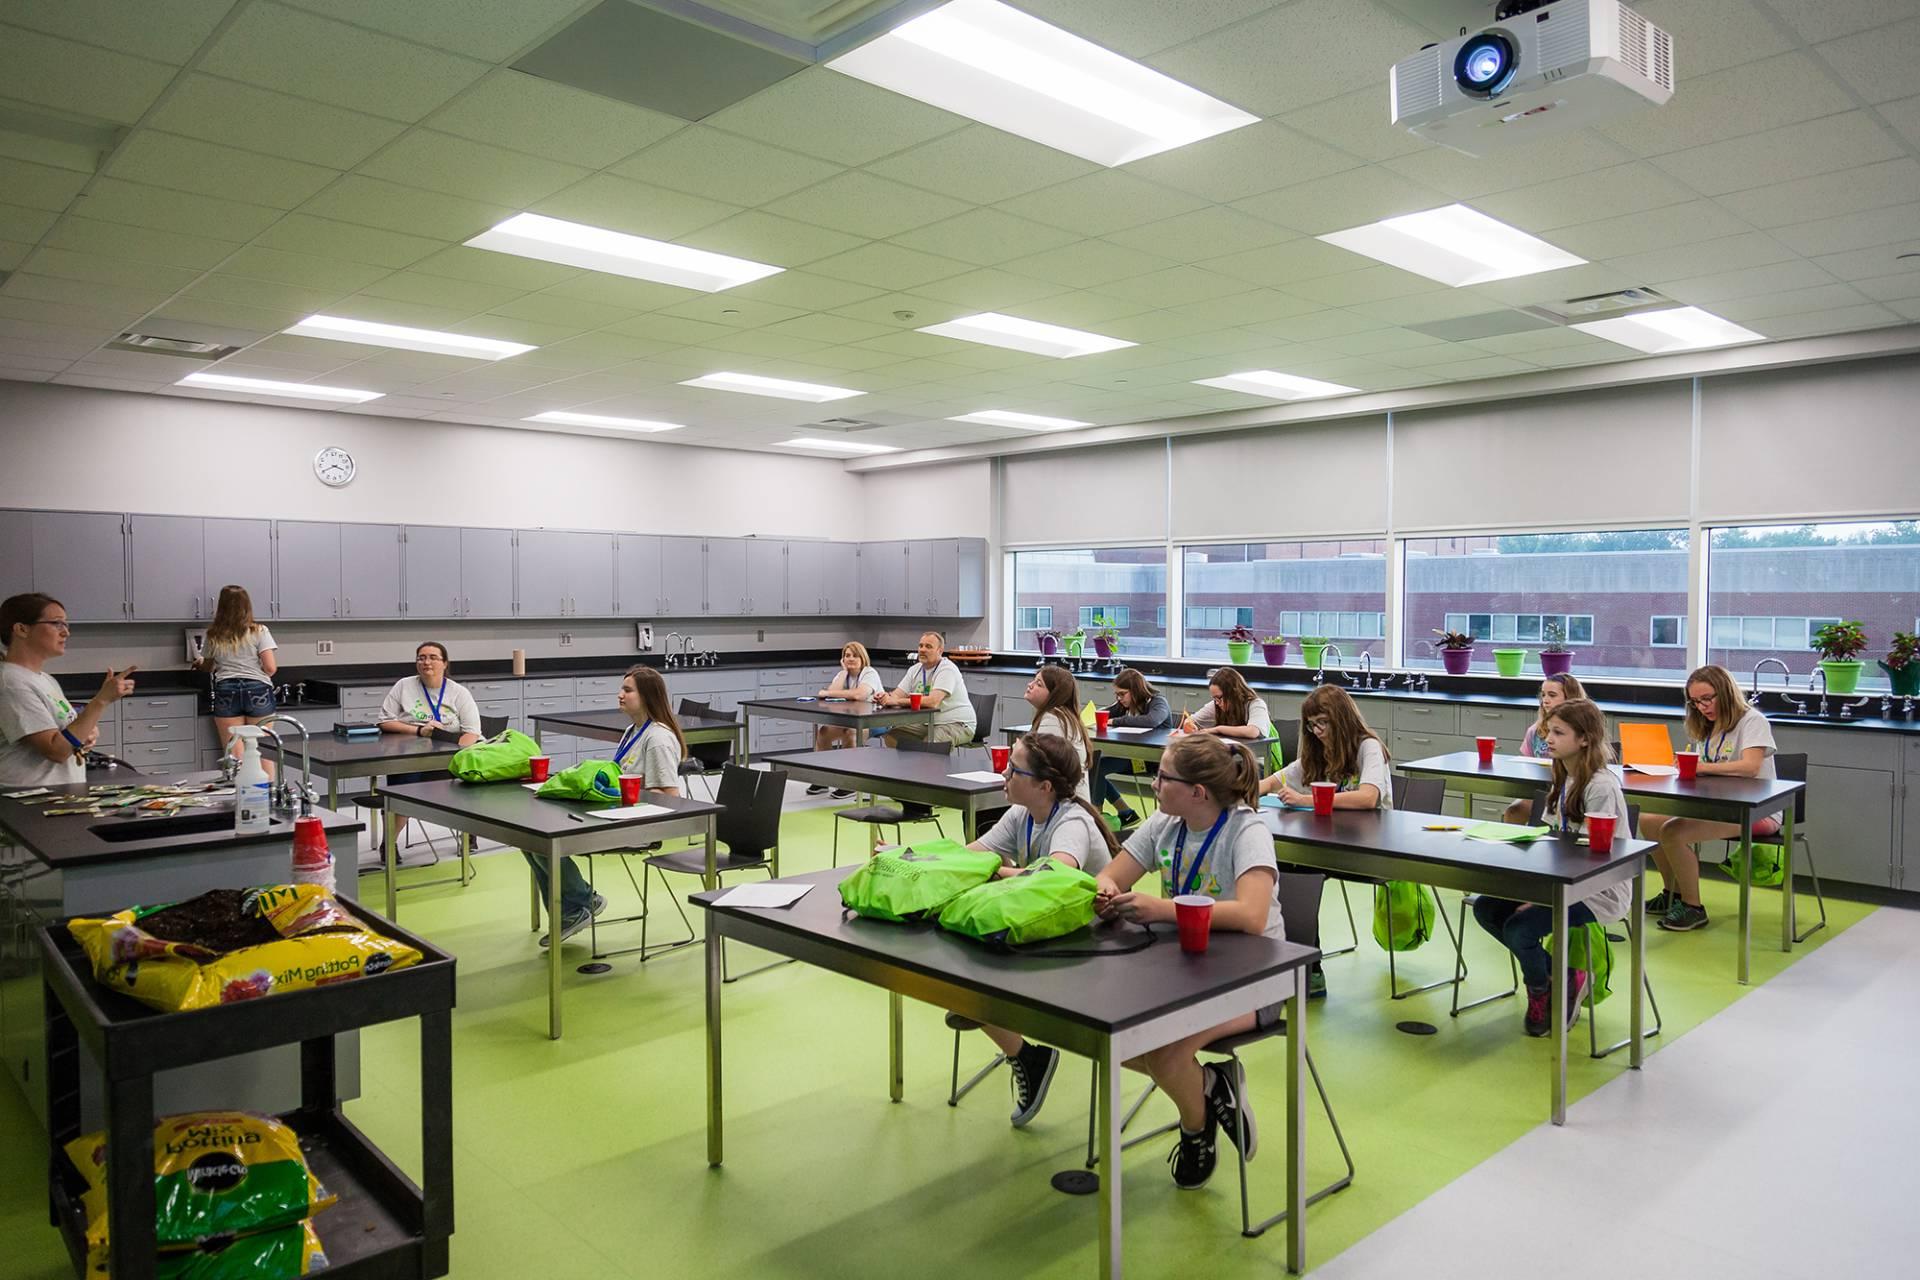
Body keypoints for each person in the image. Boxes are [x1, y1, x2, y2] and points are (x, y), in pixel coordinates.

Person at [1094, 734, 1282, 1190]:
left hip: (1255, 977)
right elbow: (1111, 874)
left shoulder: (1247, 830)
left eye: (1164, 777)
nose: (1154, 783)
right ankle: (1212, 1086)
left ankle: (1196, 1128)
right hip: (1182, 970)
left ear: (1197, 792)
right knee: (1112, 1036)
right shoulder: (1164, 824)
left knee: (1163, 1052)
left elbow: (1253, 916)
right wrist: (1105, 892)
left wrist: (1163, 910)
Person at [960, 733, 1119, 1126]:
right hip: (1049, 927)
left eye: (1014, 768)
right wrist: (922, 858)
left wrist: (999, 871)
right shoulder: (1022, 814)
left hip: (1096, 942)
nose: (1005, 772)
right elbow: (974, 855)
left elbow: (1056, 874)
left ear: (1044, 786)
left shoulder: (1073, 820)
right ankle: (1029, 1056)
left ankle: (1025, 1051)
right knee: (960, 978)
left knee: (973, 987)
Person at [1472, 698, 1629, 1035]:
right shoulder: (1564, 778)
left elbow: (1593, 858)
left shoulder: (1600, 786)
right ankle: (1563, 976)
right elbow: (1552, 840)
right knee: (1487, 908)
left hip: (1596, 889)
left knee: (1520, 929)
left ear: (1584, 739)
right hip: (1561, 881)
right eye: (1548, 732)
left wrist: (1544, 897)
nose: (1549, 739)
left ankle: (1540, 990)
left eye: (1558, 732)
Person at [527, 665, 684, 947]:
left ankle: (579, 905)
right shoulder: (632, 730)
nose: (620, 695)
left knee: (549, 840)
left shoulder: (658, 738)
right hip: (616, 813)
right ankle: (573, 909)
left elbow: (670, 795)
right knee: (531, 838)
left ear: (647, 696)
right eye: (621, 689)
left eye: (627, 690)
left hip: (641, 825)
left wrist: (630, 796)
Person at [1640, 665, 1778, 933]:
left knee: (1673, 831)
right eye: (1695, 702)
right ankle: (1673, 894)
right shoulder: (1709, 726)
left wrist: (1701, 768)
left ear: (1725, 692)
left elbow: (1750, 767)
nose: (1702, 707)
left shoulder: (1752, 721)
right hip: (1715, 807)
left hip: (1756, 810)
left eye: (1707, 699)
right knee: (1648, 820)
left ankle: (1694, 907)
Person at [0, 594, 136, 787]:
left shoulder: (45, 680)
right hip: (29, 800)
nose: (65, 632)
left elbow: (66, 734)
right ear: (21, 629)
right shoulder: (11, 682)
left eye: (66, 625)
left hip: (57, 795)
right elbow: (57, 750)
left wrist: (85, 734)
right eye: (57, 623)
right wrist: (101, 701)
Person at [376, 642, 482, 840]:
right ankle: (389, 844)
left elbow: (472, 733)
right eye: (421, 657)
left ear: (445, 663)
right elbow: (385, 721)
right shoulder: (404, 685)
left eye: (433, 657)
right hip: (409, 756)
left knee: (465, 784)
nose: (426, 662)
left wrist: (454, 758)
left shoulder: (458, 692)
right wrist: (418, 730)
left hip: (449, 757)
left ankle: (469, 832)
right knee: (402, 792)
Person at [1259, 685, 1392, 811]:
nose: (1317, 731)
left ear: (1341, 719)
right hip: (1337, 829)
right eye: (1312, 724)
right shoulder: (1323, 751)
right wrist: (1241, 794)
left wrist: (1304, 800)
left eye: (1322, 721)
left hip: (1370, 831)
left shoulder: (1369, 746)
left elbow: (1368, 798)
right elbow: (1270, 783)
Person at [198, 585, 278, 766]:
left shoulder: (213, 634)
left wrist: (200, 664)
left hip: (226, 690)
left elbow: (208, 667)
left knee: (234, 752)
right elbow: (271, 668)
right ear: (247, 606)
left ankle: (239, 792)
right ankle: (267, 793)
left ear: (221, 607)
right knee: (263, 750)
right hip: (258, 690)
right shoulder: (259, 631)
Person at [1503, 672, 1590, 823]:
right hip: (1541, 790)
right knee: (1513, 811)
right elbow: (1526, 767)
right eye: (1543, 695)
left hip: (1575, 791)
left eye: (1552, 695)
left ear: (1570, 698)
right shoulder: (1534, 731)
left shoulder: (1582, 731)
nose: (1545, 701)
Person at [1094, 669, 1170, 830]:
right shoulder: (1124, 705)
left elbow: (1152, 720)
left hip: (1152, 760)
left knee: (1097, 767)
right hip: (1131, 756)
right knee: (1095, 766)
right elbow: (1104, 713)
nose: (1119, 699)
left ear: (1135, 691)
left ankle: (1097, 822)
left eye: (1122, 694)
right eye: (1117, 695)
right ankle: (1123, 813)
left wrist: (1116, 722)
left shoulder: (1157, 701)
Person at [808, 641, 883, 797]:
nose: (851, 659)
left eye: (855, 656)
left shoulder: (869, 673)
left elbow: (859, 695)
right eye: (847, 656)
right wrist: (843, 673)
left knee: (850, 732)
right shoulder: (843, 675)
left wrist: (828, 693)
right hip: (848, 719)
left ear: (863, 658)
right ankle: (823, 779)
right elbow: (831, 692)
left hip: (873, 720)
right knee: (824, 732)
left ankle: (850, 783)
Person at [879, 631, 976, 745]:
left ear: (940, 651)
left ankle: (928, 762)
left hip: (956, 723)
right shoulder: (915, 669)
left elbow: (932, 702)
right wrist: (886, 697)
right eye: (921, 646)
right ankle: (910, 763)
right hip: (927, 723)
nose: (922, 650)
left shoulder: (947, 669)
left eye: (928, 647)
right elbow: (897, 694)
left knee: (931, 743)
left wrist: (896, 701)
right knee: (893, 736)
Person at [1023, 665, 1092, 801]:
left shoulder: (1053, 719)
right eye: (1033, 680)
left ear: (1054, 694)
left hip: (1065, 803)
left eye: (1039, 684)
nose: (1030, 685)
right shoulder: (1063, 716)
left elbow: (1041, 762)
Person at [1178, 667, 1272, 741]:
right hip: (1228, 757)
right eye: (1214, 699)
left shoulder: (1255, 704)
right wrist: (1188, 725)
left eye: (1219, 698)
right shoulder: (1216, 704)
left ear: (1234, 692)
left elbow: (1253, 731)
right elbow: (1191, 721)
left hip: (1255, 759)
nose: (1217, 703)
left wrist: (1218, 729)